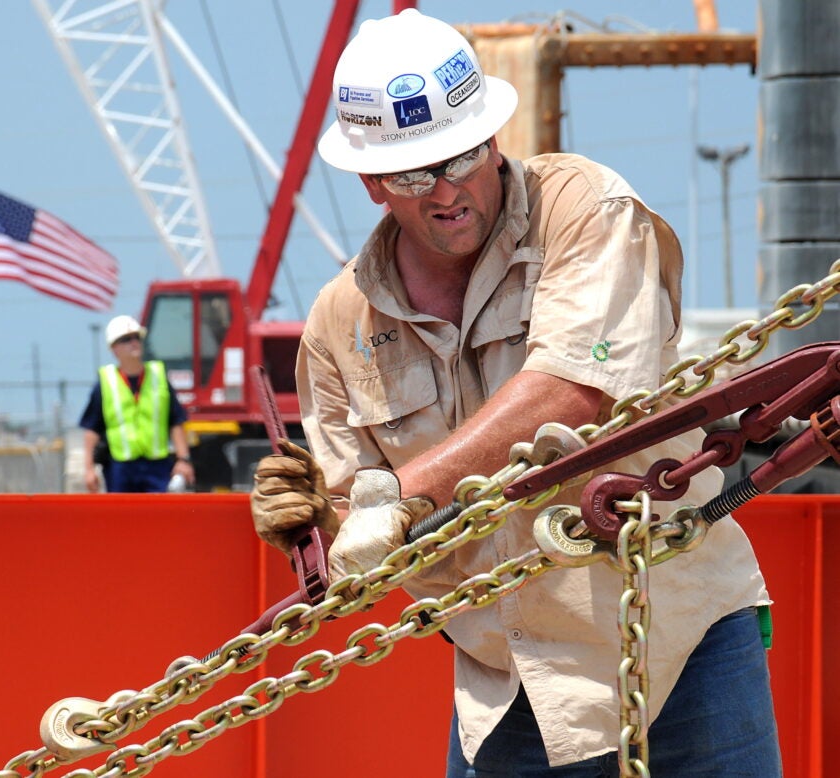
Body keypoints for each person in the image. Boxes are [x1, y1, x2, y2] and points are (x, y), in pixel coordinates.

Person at [249, 9, 781, 777]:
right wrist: (315, 526)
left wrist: (400, 495)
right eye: (412, 175)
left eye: (462, 157)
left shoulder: (584, 210)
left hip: (681, 646)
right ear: (370, 183)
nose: (446, 190)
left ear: (493, 138)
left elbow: (571, 391)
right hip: (509, 685)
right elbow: (359, 533)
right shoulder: (340, 325)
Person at [80, 314, 195, 493]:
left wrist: (183, 460)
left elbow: (175, 420)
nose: (134, 342)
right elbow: (92, 428)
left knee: (158, 511)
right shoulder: (106, 382)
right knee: (121, 512)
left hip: (157, 466)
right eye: (126, 339)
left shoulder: (158, 376)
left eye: (137, 337)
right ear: (114, 348)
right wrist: (88, 469)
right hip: (119, 468)